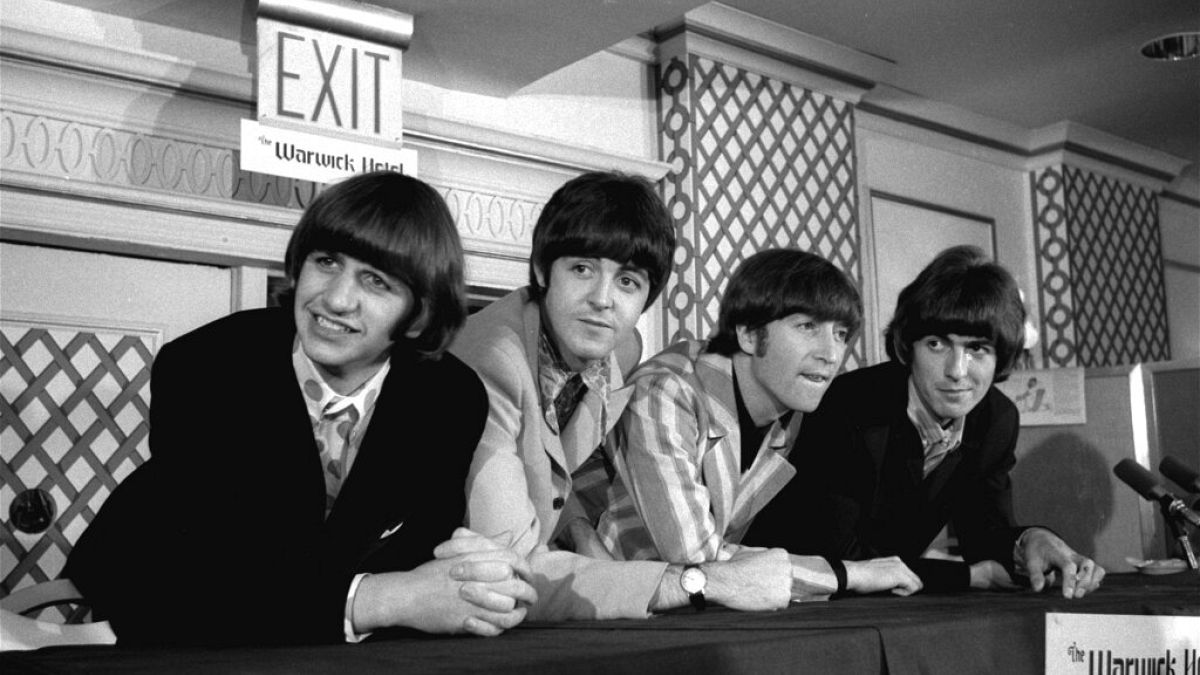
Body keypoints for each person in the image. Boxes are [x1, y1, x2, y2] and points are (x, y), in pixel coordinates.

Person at [64, 171, 536, 645]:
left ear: (420, 313)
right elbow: (207, 579)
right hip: (151, 623)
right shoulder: (206, 367)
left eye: (375, 281)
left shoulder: (450, 397)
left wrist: (476, 581)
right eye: (326, 261)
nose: (335, 298)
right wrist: (386, 599)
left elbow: (417, 555)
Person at [451, 171, 798, 620]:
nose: (603, 299)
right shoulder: (490, 361)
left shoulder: (621, 346)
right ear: (541, 270)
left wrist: (577, 528)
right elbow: (508, 573)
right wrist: (702, 582)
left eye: (628, 282)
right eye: (582, 269)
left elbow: (549, 461)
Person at [744, 245, 1106, 597]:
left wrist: (1029, 541)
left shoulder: (996, 418)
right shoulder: (847, 406)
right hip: (781, 597)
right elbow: (840, 557)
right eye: (937, 344)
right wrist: (967, 576)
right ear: (908, 347)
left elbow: (984, 532)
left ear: (1001, 357)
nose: (956, 371)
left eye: (977, 349)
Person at [595, 249, 922, 600]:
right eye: (807, 326)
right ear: (749, 334)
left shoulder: (788, 412)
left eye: (841, 334)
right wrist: (846, 574)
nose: (831, 353)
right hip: (594, 605)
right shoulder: (666, 390)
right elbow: (701, 559)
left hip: (672, 607)